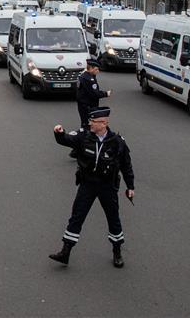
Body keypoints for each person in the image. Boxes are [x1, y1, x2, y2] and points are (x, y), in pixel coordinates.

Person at [49, 108, 135, 268]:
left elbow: (126, 165)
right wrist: (59, 133)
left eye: (93, 122)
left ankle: (117, 252)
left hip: (107, 186)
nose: (90, 124)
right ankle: (65, 251)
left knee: (113, 218)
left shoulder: (117, 142)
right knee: (77, 216)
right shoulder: (84, 136)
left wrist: (130, 186)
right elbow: (66, 139)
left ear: (103, 123)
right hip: (87, 184)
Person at [76, 59, 110, 131]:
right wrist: (106, 93)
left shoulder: (83, 75)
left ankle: (84, 135)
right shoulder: (89, 79)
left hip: (82, 104)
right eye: (96, 69)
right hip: (88, 105)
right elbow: (95, 93)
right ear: (90, 68)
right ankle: (85, 139)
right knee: (88, 123)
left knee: (85, 122)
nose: (98, 71)